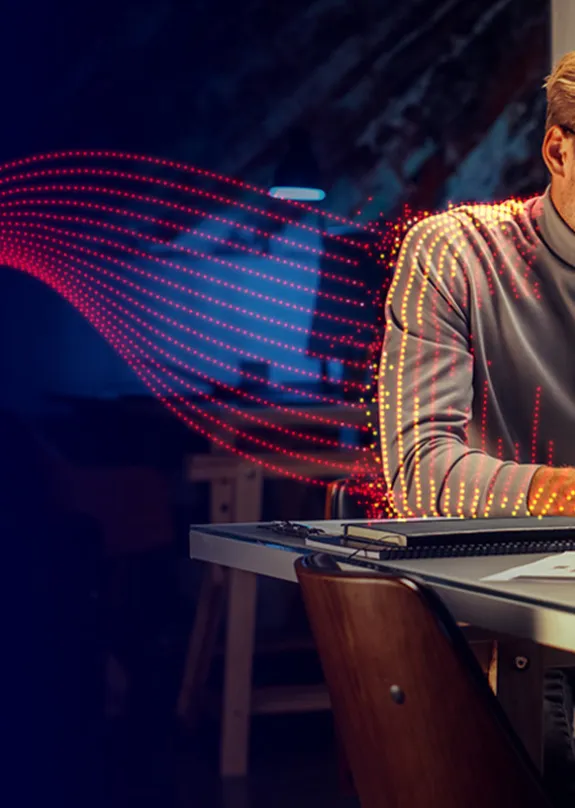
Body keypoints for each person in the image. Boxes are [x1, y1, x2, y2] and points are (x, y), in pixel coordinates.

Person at [379, 52, 575, 805]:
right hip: (498, 649)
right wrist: (559, 492)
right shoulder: (456, 254)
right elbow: (419, 472)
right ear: (557, 150)